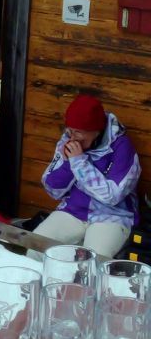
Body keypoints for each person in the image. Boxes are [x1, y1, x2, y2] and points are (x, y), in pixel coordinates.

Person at [35, 93, 139, 258]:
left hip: (112, 216)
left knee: (92, 262)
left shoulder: (122, 147)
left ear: (96, 131)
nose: (72, 137)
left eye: (78, 132)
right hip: (73, 211)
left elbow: (112, 196)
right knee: (35, 247)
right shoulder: (68, 141)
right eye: (70, 130)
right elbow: (52, 189)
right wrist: (68, 164)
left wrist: (79, 163)